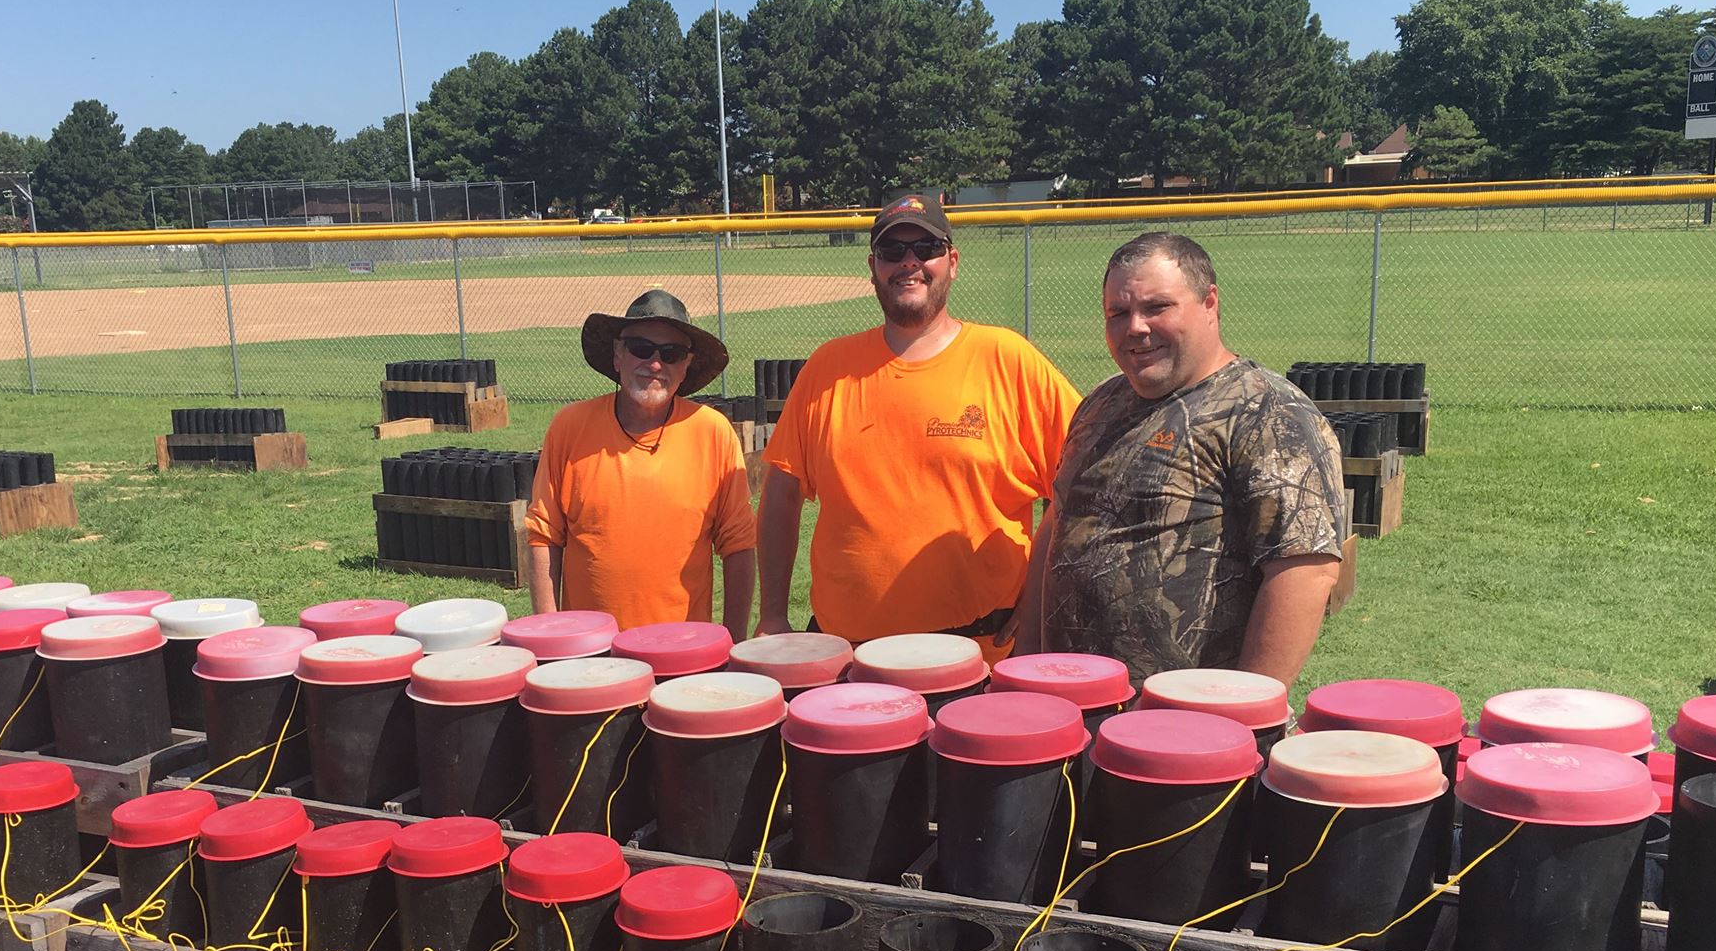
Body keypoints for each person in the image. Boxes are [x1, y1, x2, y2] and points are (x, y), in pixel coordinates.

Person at [755, 193, 1081, 659]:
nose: (909, 263)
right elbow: (781, 493)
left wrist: (1041, 598)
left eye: (925, 248)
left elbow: (1083, 480)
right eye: (892, 252)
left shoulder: (1007, 360)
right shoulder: (829, 368)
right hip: (848, 657)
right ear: (873, 266)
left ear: (952, 261)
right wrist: (771, 613)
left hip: (981, 653)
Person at [1026, 231, 1346, 687]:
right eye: (1118, 312)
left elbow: (1304, 571)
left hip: (1186, 727)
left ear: (1209, 302)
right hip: (1070, 709)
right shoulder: (1100, 403)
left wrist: (1240, 715)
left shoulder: (1267, 413)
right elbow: (1057, 526)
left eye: (1157, 307)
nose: (1135, 327)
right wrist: (1023, 670)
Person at [525, 290, 756, 633]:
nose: (655, 364)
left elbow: (739, 545)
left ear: (686, 366)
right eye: (640, 349)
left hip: (682, 652)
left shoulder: (713, 433)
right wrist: (549, 636)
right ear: (618, 355)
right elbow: (544, 536)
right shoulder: (570, 427)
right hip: (590, 653)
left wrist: (732, 643)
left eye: (671, 353)